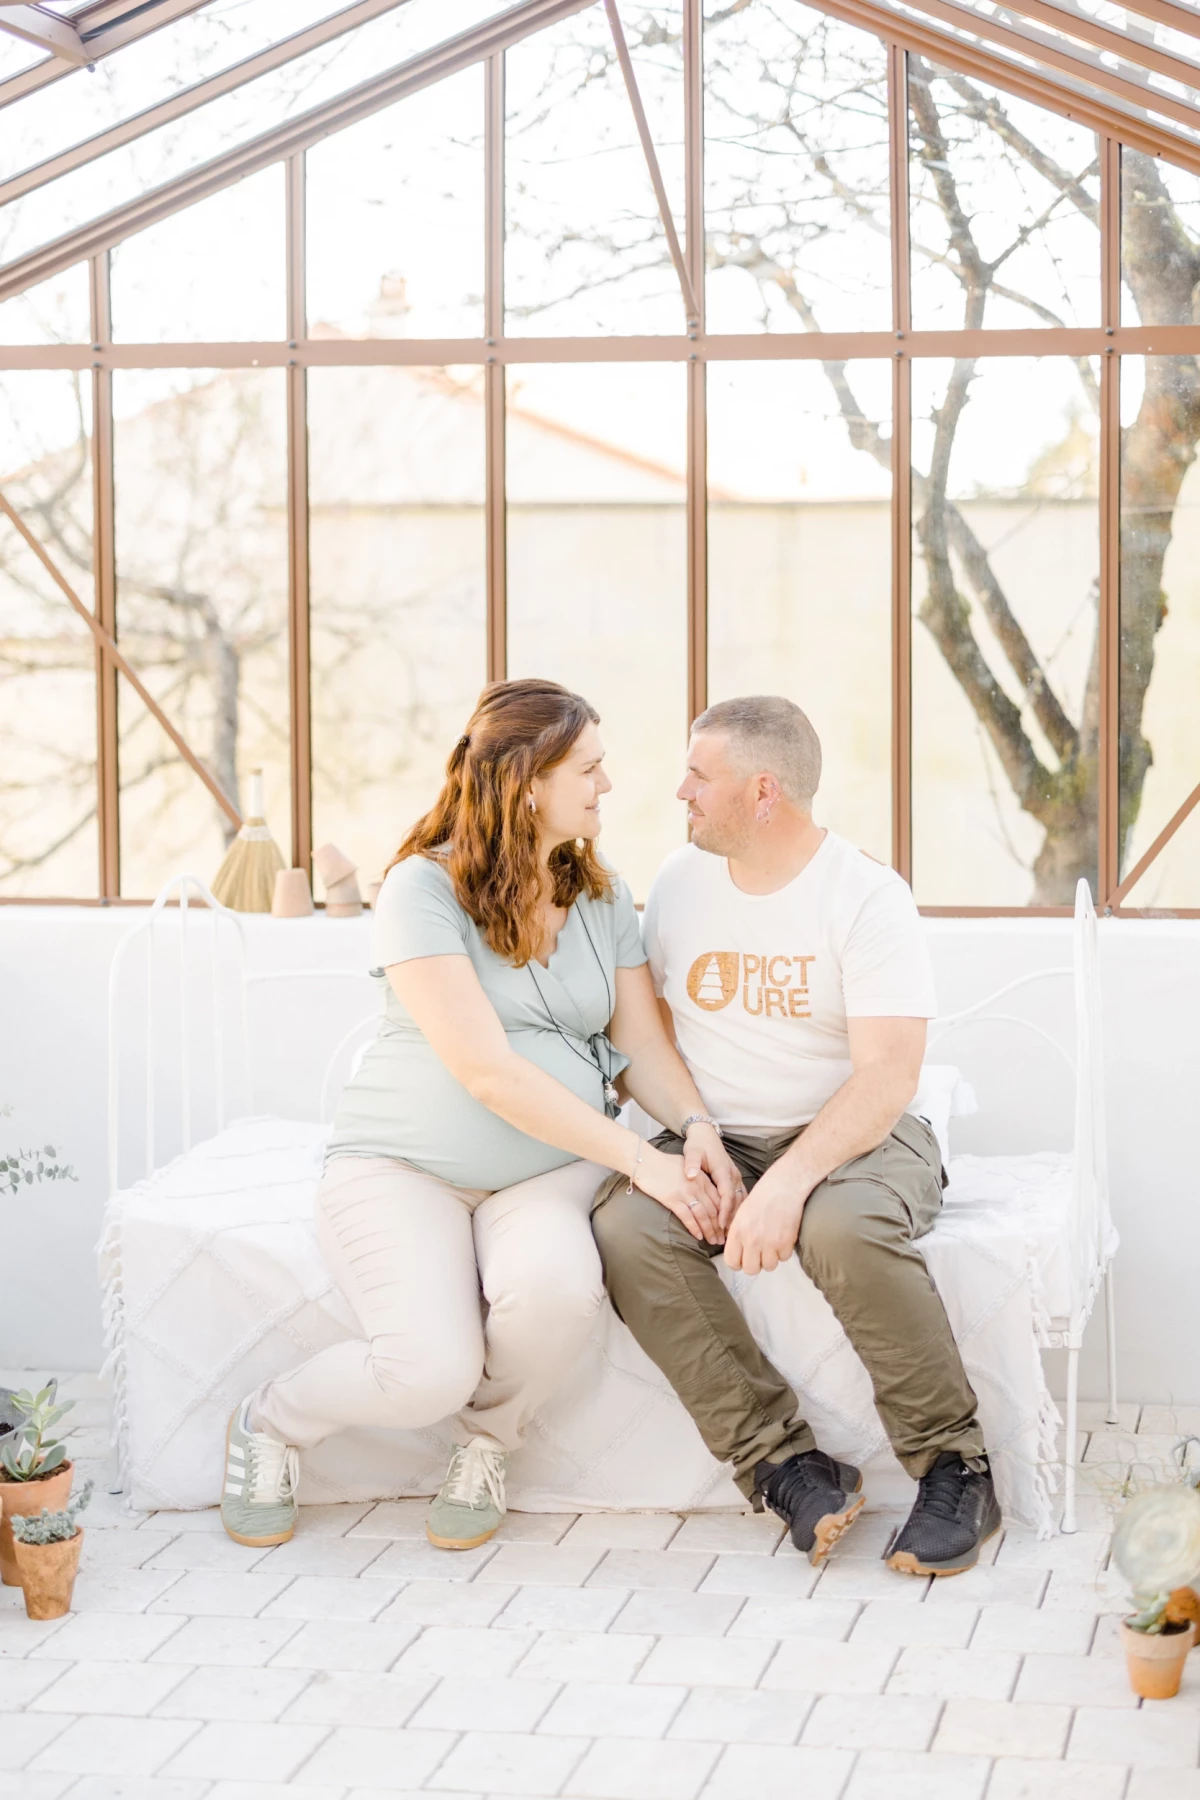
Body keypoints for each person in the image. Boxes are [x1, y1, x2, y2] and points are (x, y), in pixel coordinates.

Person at [219, 678, 742, 1553]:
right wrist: (642, 1162)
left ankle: (489, 1442)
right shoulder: (418, 891)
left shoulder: (603, 896)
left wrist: (693, 1126)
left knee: (558, 1296)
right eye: (590, 768)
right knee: (425, 1372)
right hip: (403, 1167)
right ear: (527, 779)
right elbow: (486, 1071)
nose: (607, 786)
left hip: (548, 1174)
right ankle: (269, 1424)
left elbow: (644, 1046)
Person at [592, 695, 1000, 1578]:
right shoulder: (680, 882)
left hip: (857, 1135)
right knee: (627, 1228)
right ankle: (785, 1464)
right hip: (717, 1135)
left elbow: (888, 1076)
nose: (679, 792)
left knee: (841, 1227)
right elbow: (648, 1036)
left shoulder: (865, 896)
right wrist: (692, 1138)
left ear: (763, 790)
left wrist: (786, 1184)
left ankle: (954, 1467)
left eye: (699, 777)